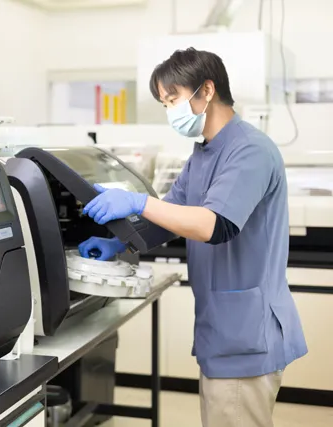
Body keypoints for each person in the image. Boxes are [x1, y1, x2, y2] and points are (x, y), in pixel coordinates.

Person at [78, 48, 307, 427]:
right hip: (224, 329)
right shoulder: (203, 152)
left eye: (173, 99)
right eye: (164, 104)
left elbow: (211, 225)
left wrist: (137, 201)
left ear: (207, 90)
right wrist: (120, 242)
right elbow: (171, 215)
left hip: (246, 334)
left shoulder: (249, 149)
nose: (170, 111)